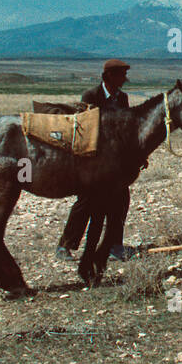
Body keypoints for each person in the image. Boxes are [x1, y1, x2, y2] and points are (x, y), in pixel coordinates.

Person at [55, 59, 134, 262]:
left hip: (114, 162)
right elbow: (86, 128)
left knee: (120, 199)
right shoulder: (91, 96)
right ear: (109, 77)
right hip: (92, 161)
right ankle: (66, 245)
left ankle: (114, 245)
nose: (125, 79)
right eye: (121, 75)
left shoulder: (122, 98)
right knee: (86, 201)